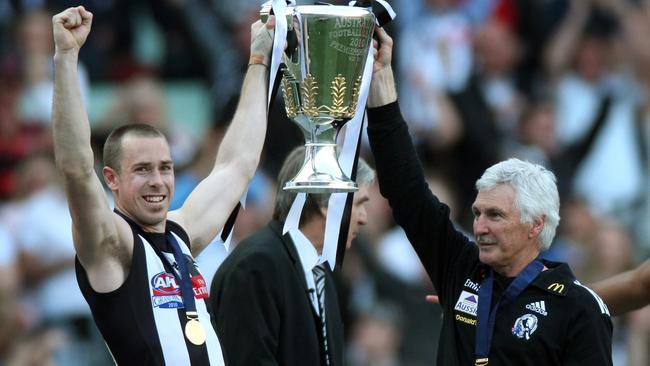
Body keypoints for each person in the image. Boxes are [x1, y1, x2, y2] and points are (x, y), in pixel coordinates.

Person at [365, 26, 613, 365]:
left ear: (535, 225)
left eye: (495, 215)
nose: (479, 226)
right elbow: (406, 191)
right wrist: (381, 90)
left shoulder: (577, 307)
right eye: (479, 213)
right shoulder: (461, 267)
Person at [51, 6, 273, 365]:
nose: (157, 181)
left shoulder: (181, 233)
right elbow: (76, 169)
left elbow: (238, 164)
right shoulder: (113, 244)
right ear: (112, 179)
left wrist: (259, 59)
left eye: (165, 168)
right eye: (141, 169)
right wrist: (65, 57)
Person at [210, 146, 374, 366]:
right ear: (328, 203)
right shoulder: (256, 266)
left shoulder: (321, 272)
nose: (364, 218)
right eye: (359, 203)